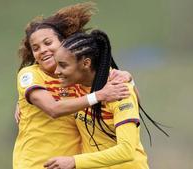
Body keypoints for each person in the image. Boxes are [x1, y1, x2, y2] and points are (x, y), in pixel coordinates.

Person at [13, 3, 134, 169]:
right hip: (35, 164)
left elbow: (127, 95)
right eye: (36, 48)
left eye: (48, 43)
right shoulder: (29, 75)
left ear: (64, 42)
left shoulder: (77, 76)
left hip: (70, 164)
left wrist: (128, 78)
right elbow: (53, 108)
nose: (43, 50)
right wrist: (98, 96)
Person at [44, 30, 149, 169]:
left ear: (86, 63)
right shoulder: (73, 84)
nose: (56, 71)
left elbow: (126, 151)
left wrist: (74, 161)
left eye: (63, 65)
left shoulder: (118, 90)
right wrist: (23, 100)